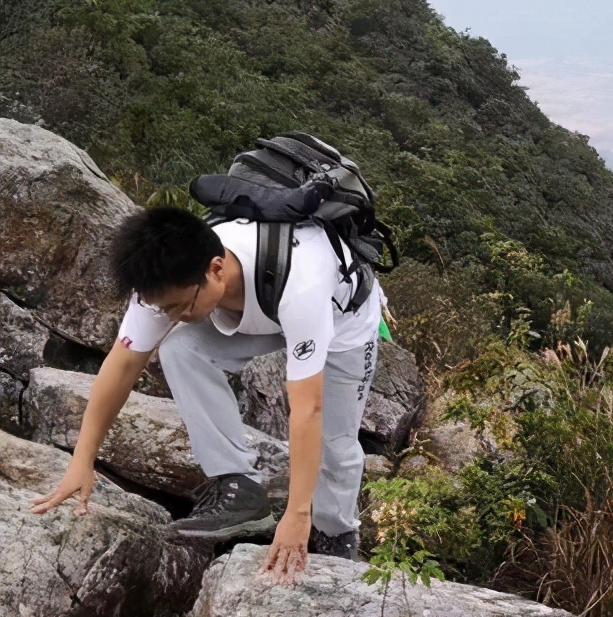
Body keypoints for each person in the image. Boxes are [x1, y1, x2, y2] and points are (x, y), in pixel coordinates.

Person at [30, 205, 382, 584]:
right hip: (258, 308)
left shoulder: (303, 282)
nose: (173, 316)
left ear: (216, 268)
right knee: (180, 348)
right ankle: (239, 485)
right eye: (165, 309)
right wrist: (82, 461)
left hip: (341, 321)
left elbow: (307, 408)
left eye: (181, 306)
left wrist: (297, 514)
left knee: (337, 441)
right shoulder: (166, 280)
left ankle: (335, 533)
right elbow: (121, 367)